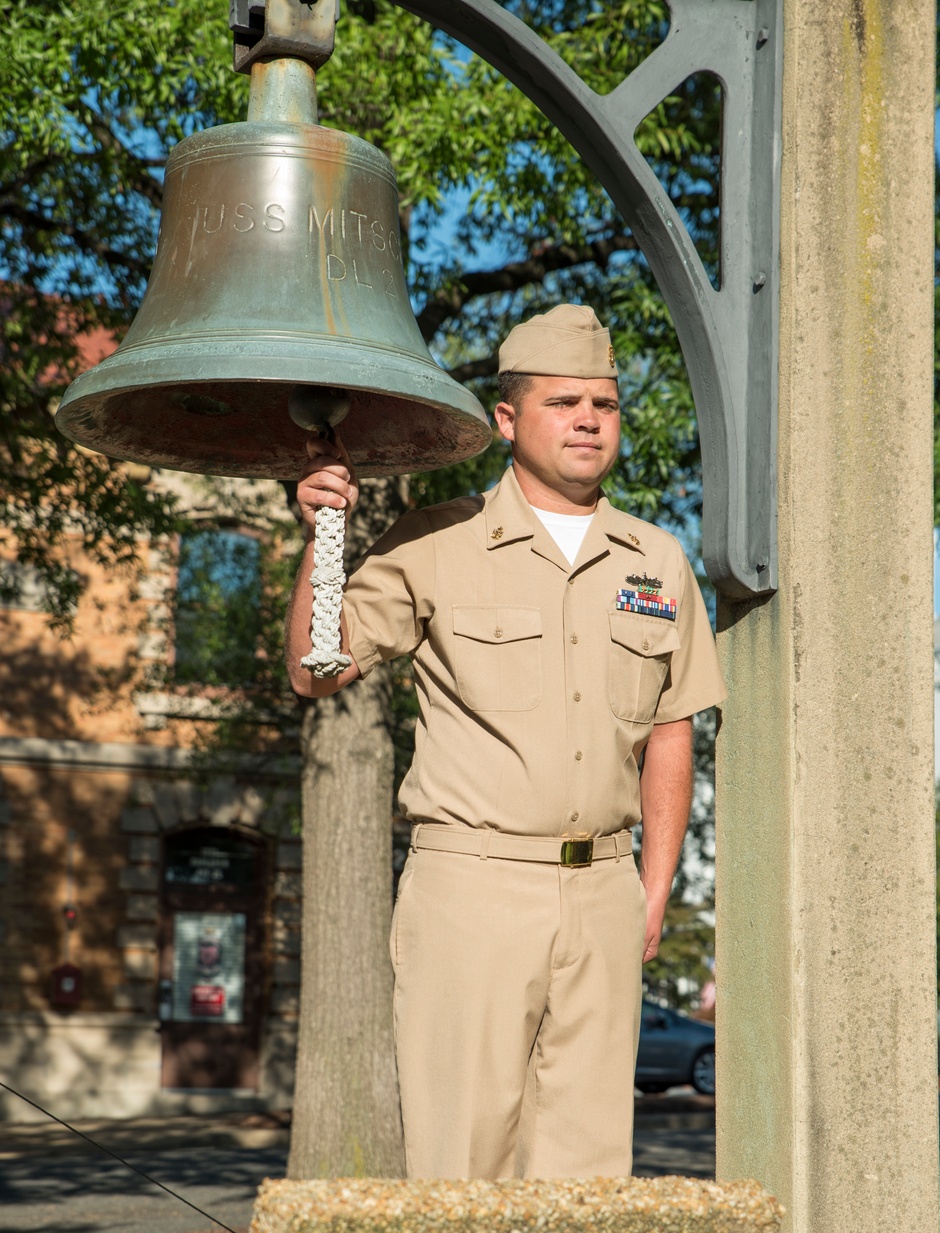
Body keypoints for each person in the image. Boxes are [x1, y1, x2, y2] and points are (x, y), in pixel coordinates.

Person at [285, 303, 725, 1179]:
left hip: (603, 887)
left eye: (604, 403)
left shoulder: (657, 561)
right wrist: (321, 536)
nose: (590, 420)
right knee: (461, 1162)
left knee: (588, 1170)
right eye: (564, 403)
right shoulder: (436, 543)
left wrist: (652, 886)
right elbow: (313, 669)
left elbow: (671, 727)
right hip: (471, 888)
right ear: (507, 420)